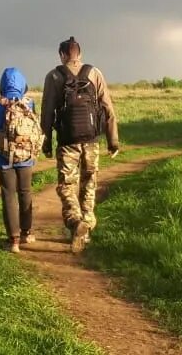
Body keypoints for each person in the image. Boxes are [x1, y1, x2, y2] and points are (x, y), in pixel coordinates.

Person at [41, 36, 120, 253]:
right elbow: (108, 109)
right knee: (89, 183)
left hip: (67, 142)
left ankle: (76, 222)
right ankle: (87, 225)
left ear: (62, 55)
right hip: (91, 141)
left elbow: (47, 112)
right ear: (80, 54)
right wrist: (113, 141)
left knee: (67, 185)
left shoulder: (54, 76)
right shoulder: (95, 73)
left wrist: (46, 142)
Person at [0, 67, 39, 253]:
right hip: (26, 157)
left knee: (8, 195)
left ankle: (13, 241)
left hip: (3, 158)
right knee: (25, 192)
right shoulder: (29, 103)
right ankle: (27, 233)